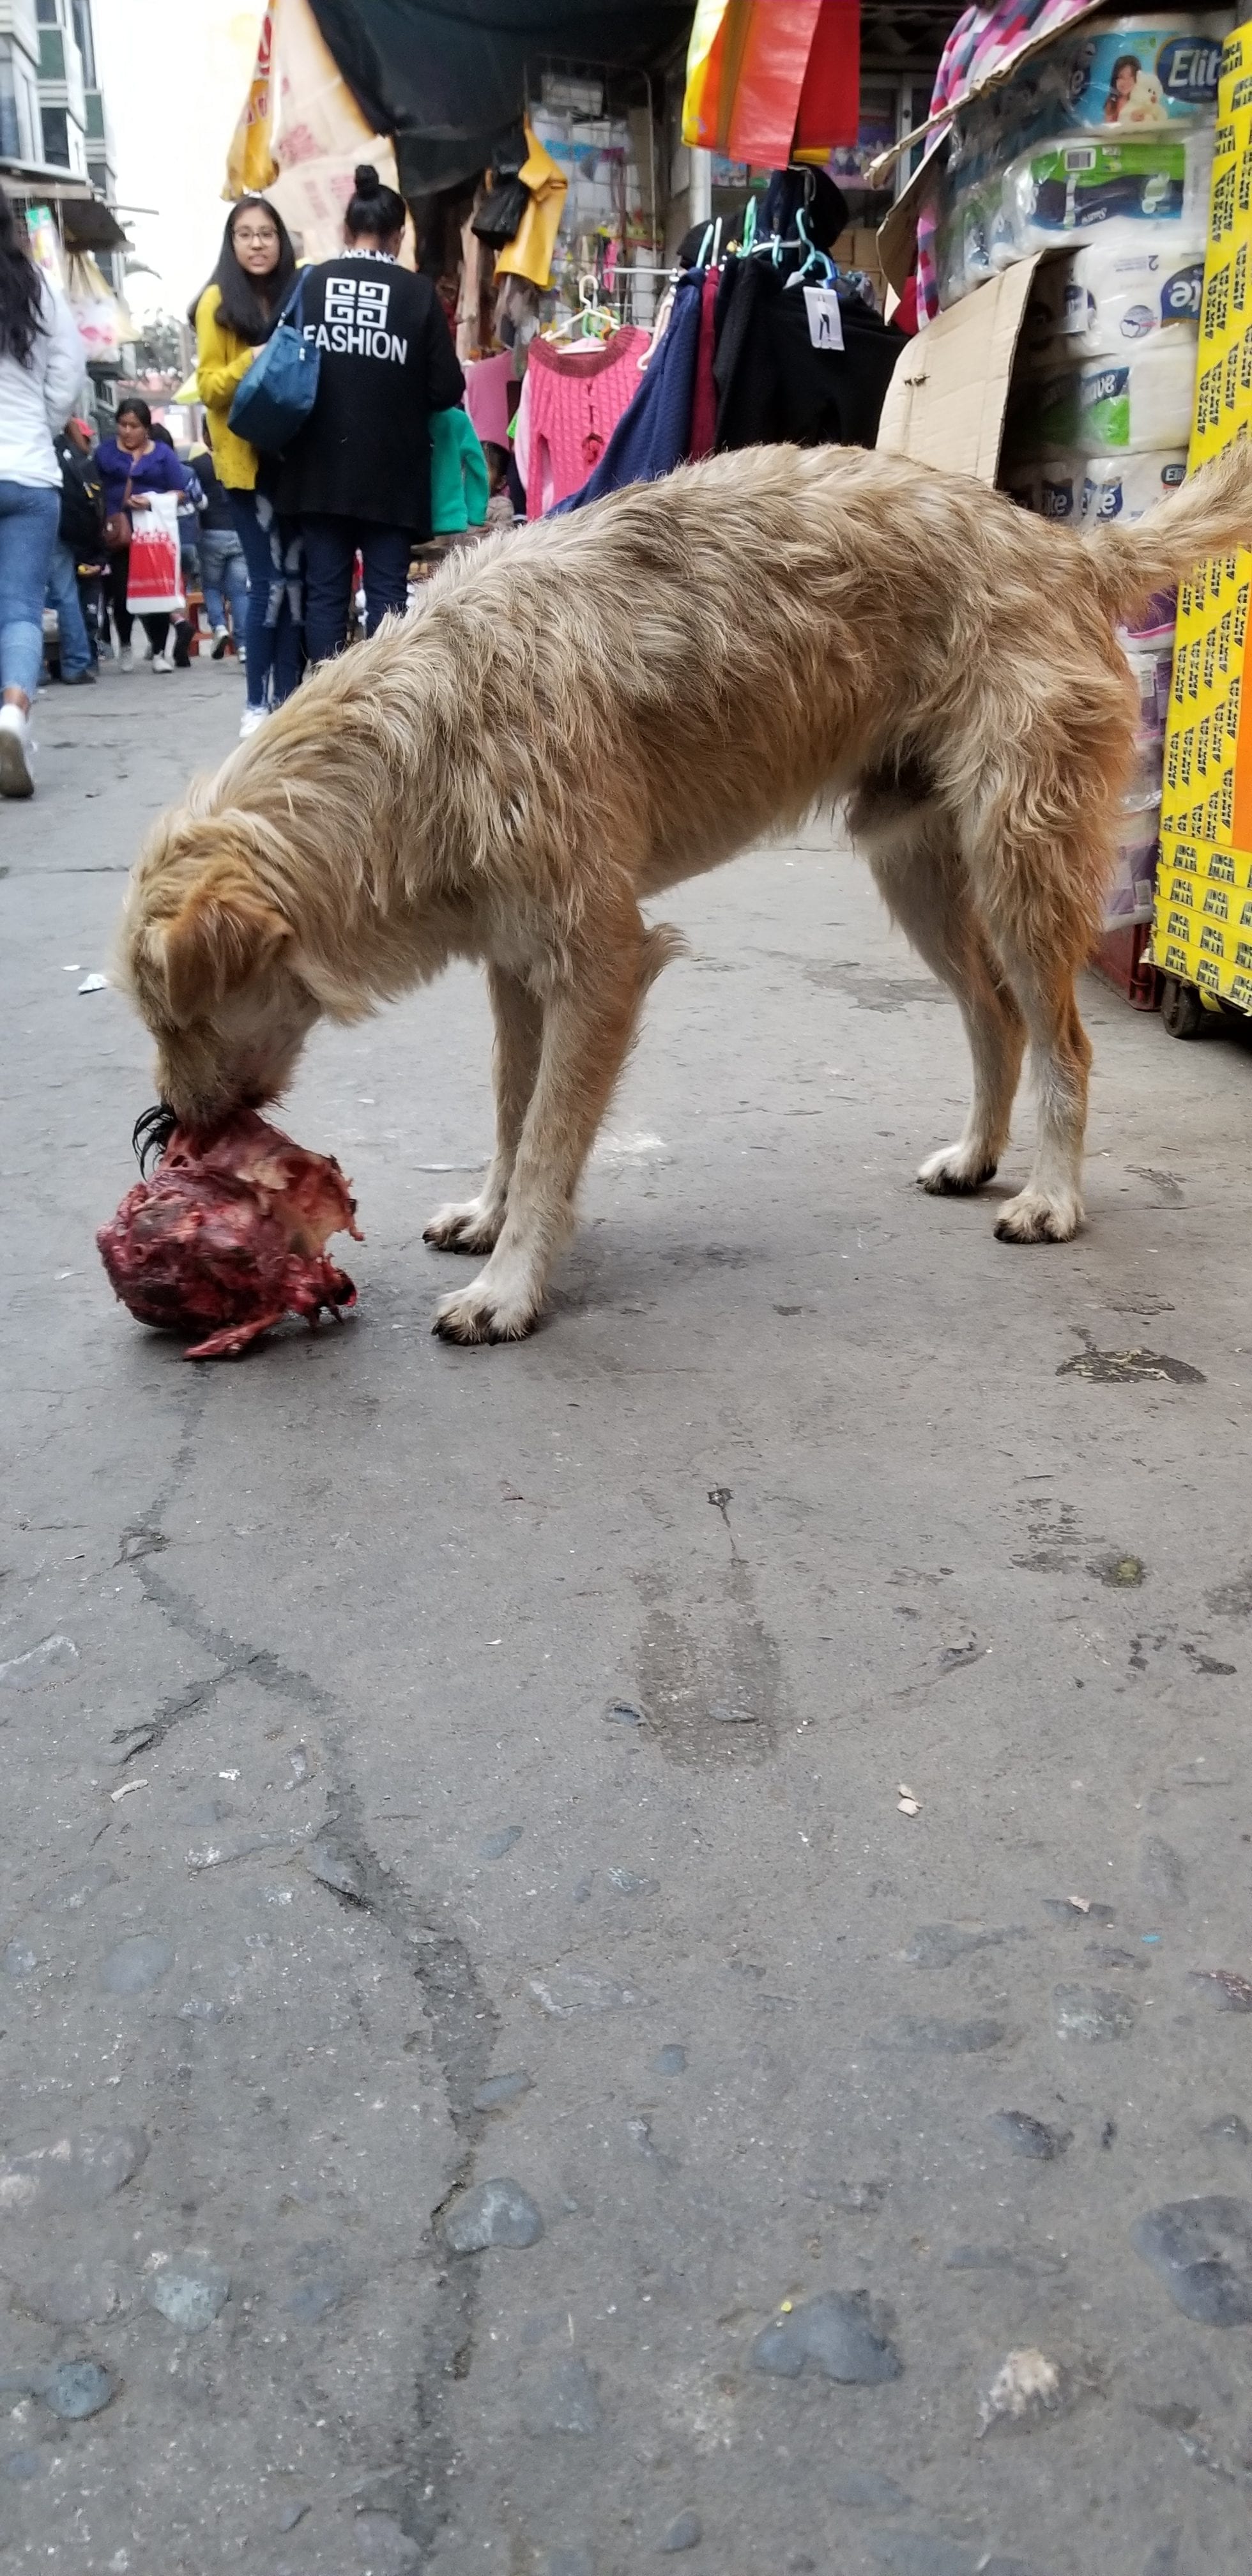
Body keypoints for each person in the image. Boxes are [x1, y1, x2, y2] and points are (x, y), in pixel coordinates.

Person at [275, 164, 464, 662]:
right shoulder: (416, 293)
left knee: (326, 597)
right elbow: (448, 387)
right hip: (391, 475)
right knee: (388, 599)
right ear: (399, 236)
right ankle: (381, 715)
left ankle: (325, 706)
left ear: (345, 230)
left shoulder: (309, 283)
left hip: (317, 471)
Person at [192, 195, 300, 736]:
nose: (257, 244)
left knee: (293, 583)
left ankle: (290, 701)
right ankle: (256, 704)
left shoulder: (297, 295)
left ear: (281, 241)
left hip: (296, 460)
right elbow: (208, 386)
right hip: (244, 467)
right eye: (245, 234)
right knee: (268, 583)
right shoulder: (216, 302)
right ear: (231, 243)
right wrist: (250, 361)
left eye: (267, 234)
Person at [0, 183, 86, 793]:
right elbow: (69, 374)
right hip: (29, 470)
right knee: (22, 610)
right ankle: (13, 712)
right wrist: (43, 426)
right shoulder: (38, 289)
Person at [96, 398, 192, 671]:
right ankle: (125, 644)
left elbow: (180, 491)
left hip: (153, 533)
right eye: (122, 425)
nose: (127, 431)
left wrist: (152, 501)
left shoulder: (162, 454)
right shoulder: (105, 453)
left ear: (146, 428)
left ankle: (160, 651)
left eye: (133, 426)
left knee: (157, 592)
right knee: (121, 591)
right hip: (120, 534)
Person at [47, 415, 101, 684]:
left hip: (23, 517)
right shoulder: (65, 450)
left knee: (22, 597)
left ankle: (29, 670)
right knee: (65, 594)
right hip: (59, 525)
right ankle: (76, 663)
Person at [190, 427, 249, 661]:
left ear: (206, 436)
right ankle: (243, 647)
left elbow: (193, 497)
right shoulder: (239, 460)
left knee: (212, 587)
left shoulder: (198, 465)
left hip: (211, 532)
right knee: (239, 592)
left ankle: (219, 627)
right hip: (240, 533)